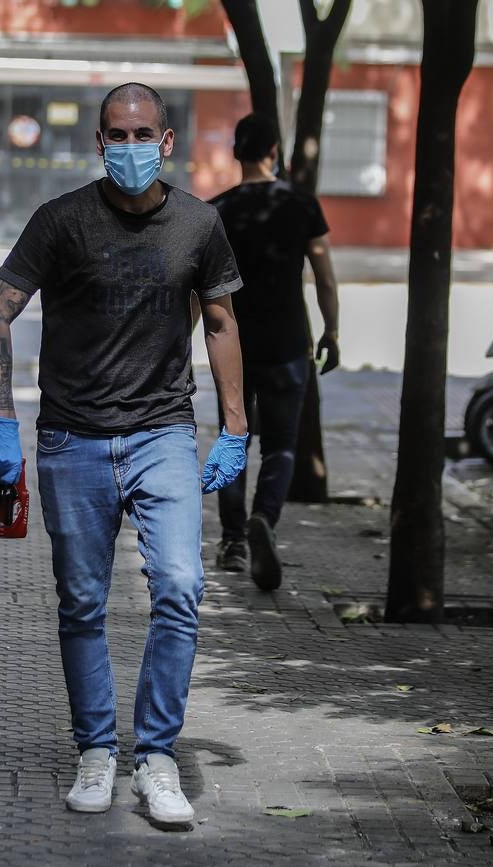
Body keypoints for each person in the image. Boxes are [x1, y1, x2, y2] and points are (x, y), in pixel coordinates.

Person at [0, 83, 249, 826]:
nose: (129, 146)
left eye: (142, 134)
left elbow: (220, 323)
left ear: (166, 141)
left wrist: (235, 427)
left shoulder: (198, 222)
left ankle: (156, 756)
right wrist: (3, 422)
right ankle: (97, 749)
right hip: (72, 439)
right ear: (99, 143)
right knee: (84, 603)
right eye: (115, 134)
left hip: (163, 432)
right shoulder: (60, 221)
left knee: (182, 588)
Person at [209, 114, 340, 591]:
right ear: (274, 152)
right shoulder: (301, 205)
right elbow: (324, 276)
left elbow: (198, 292)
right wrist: (333, 332)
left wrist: (181, 347)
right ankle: (263, 518)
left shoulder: (217, 212)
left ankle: (233, 542)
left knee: (233, 439)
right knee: (281, 446)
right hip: (289, 344)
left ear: (235, 153)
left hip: (234, 348)